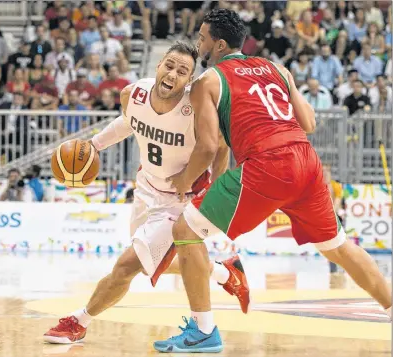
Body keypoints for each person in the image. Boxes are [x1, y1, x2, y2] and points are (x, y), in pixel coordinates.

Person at [154, 9, 392, 353]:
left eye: (203, 38)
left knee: (185, 233)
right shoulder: (276, 68)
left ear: (219, 45)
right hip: (306, 161)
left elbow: (208, 147)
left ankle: (204, 331)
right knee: (339, 248)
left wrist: (183, 180)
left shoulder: (208, 81)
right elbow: (308, 121)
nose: (199, 43)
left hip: (268, 165)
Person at [43, 42, 250, 345]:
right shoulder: (135, 94)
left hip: (180, 200)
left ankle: (79, 321)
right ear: (158, 66)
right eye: (169, 65)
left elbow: (219, 146)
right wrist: (95, 145)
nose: (173, 74)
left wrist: (214, 189)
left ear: (189, 79)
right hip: (146, 190)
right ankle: (224, 272)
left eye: (183, 71)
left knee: (127, 265)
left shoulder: (196, 109)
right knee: (149, 262)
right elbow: (128, 122)